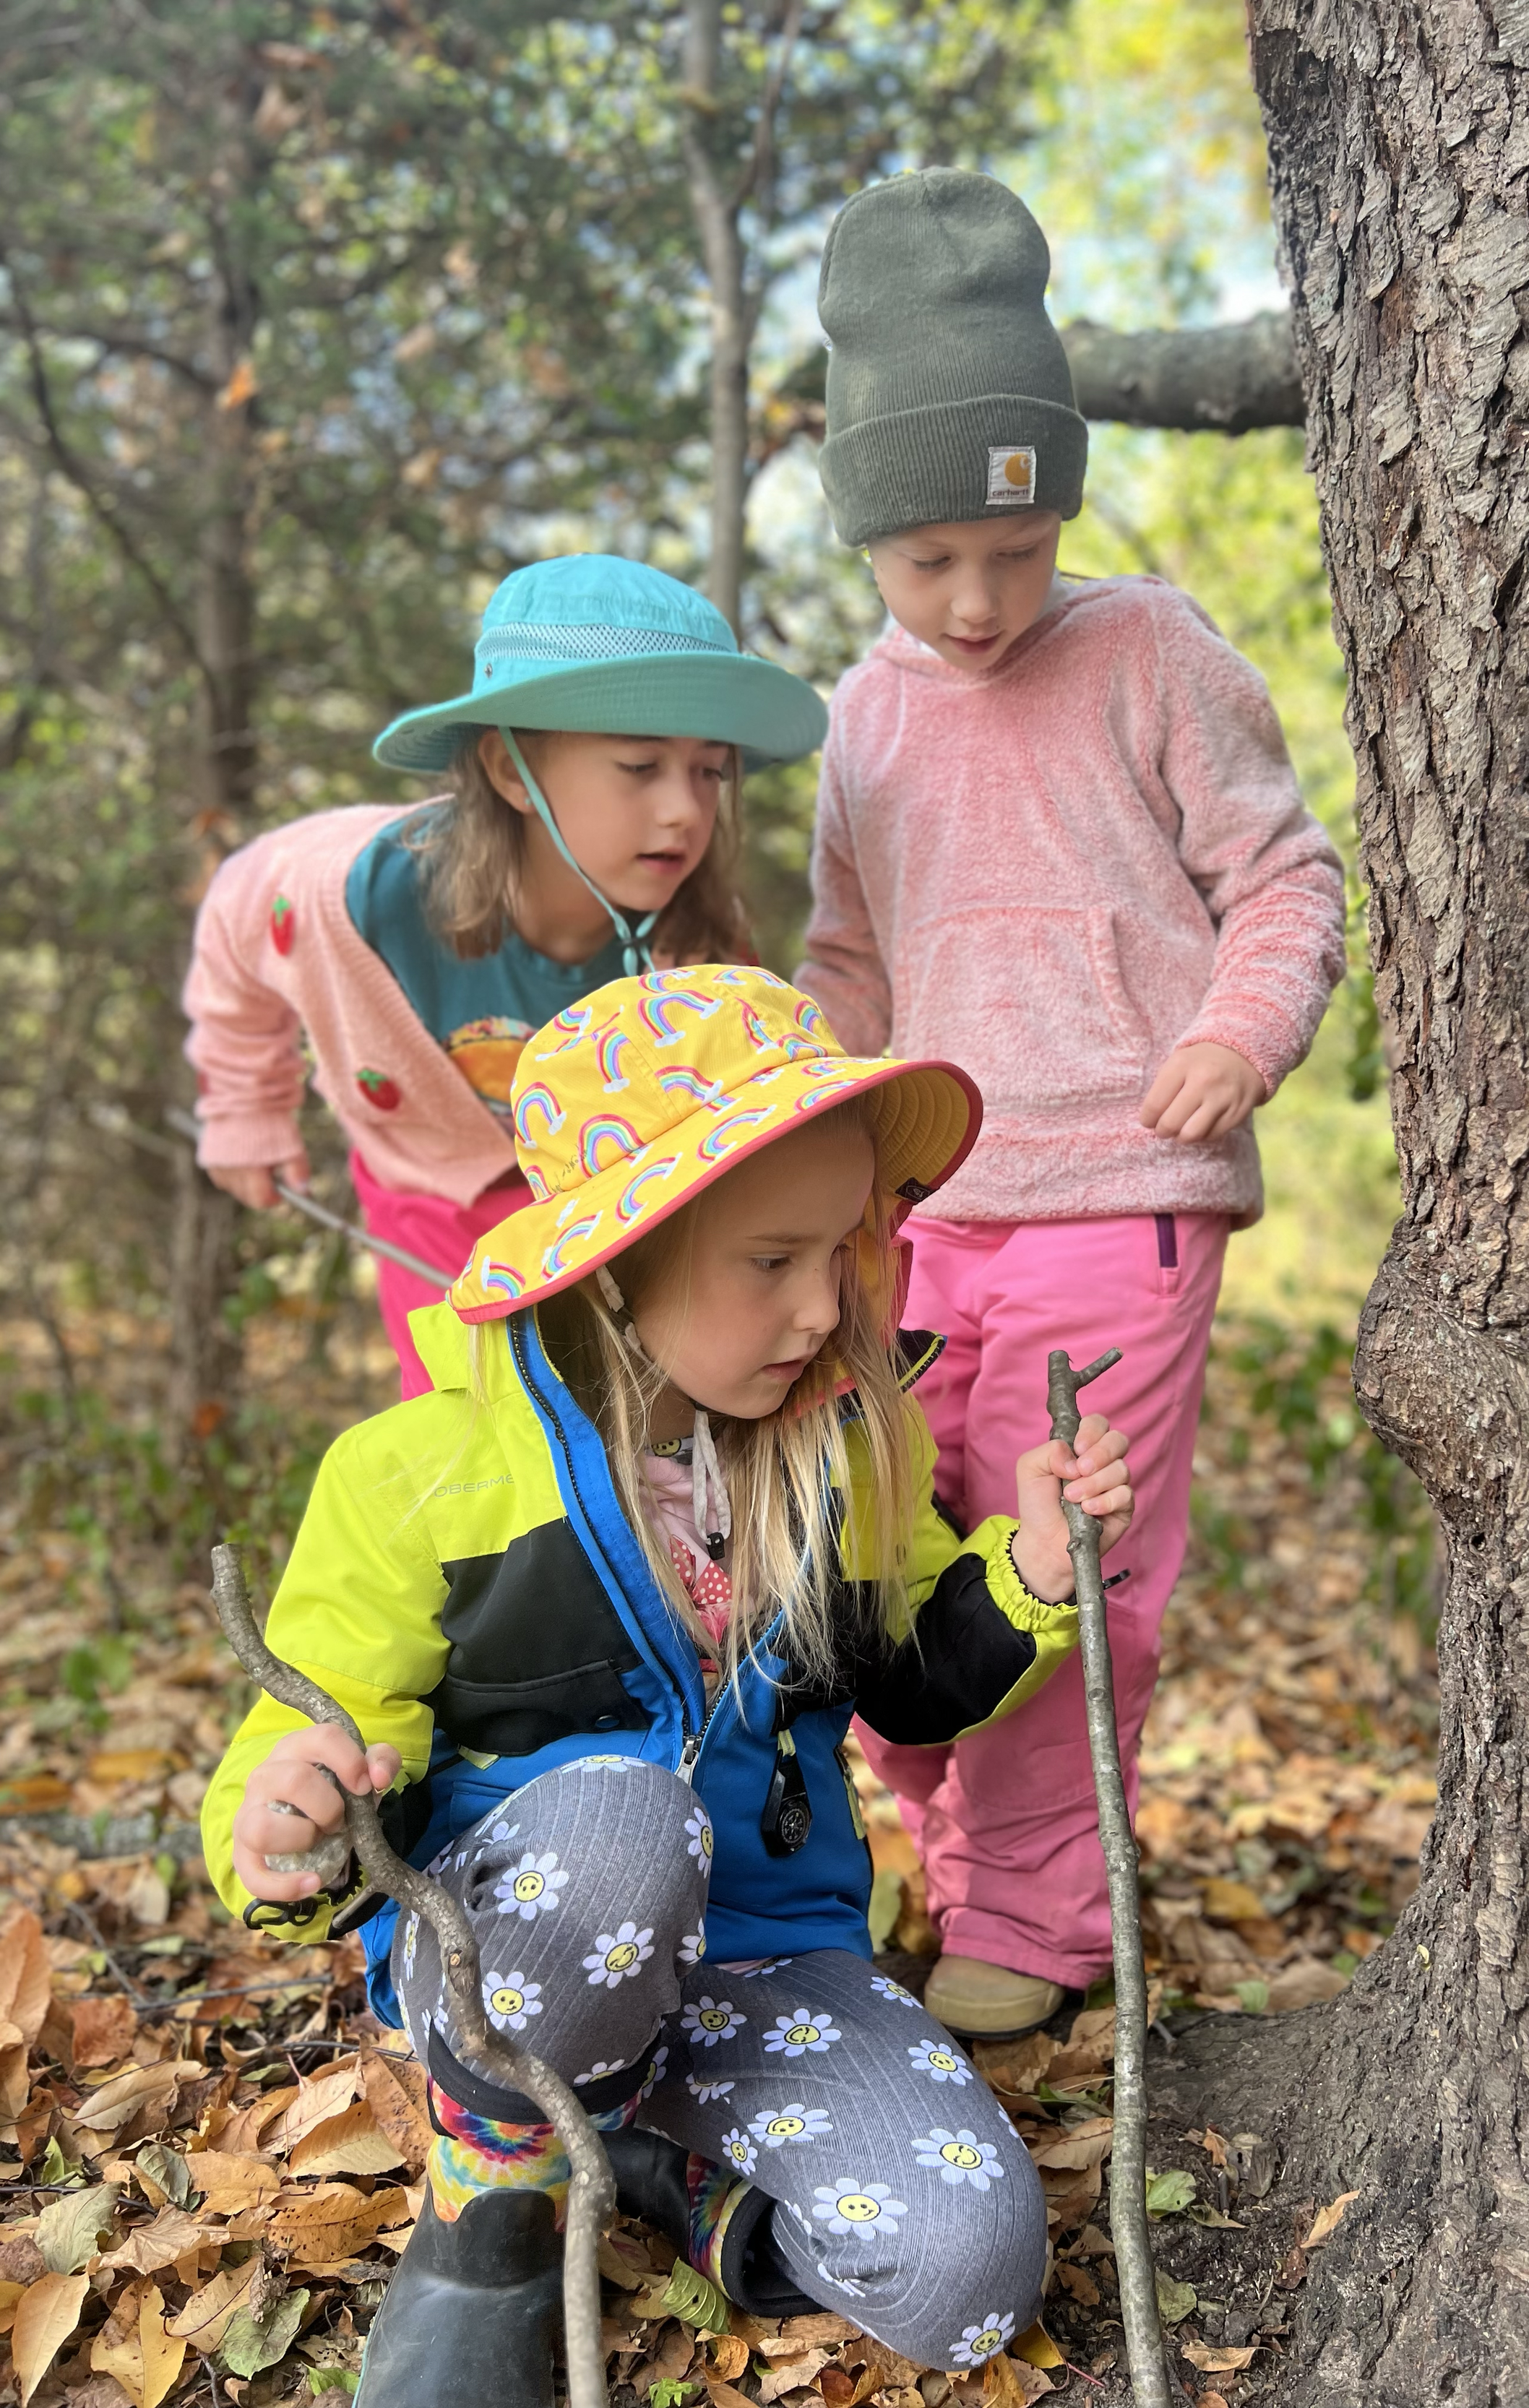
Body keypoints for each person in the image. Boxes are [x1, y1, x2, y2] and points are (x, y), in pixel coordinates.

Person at [199, 965, 1137, 2408]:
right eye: (770, 1258)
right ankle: (492, 2198)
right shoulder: (420, 1476)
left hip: (761, 1961)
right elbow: (320, 1716)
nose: (823, 1303)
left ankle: (668, 2170)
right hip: (522, 1947)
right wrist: (289, 1814)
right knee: (631, 1825)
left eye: (840, 1249)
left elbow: (907, 1688)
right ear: (618, 1256)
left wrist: (1030, 1581)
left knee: (965, 2271)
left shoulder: (842, 1454)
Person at [798, 168, 1348, 2040]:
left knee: (1067, 1551)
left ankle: (1036, 1920)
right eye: (926, 558)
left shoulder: (1149, 652)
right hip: (920, 1219)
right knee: (899, 1559)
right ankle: (957, 1865)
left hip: (1122, 1186)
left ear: (1061, 510)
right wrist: (802, 1146)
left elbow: (1282, 880)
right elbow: (843, 978)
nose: (972, 601)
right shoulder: (856, 724)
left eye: (1009, 553)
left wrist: (1233, 1035)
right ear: (863, 534)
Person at [181, 554, 826, 1395]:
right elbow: (236, 914)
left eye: (709, 771)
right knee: (472, 1412)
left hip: (603, 1208)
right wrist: (244, 1106)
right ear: (507, 771)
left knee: (620, 1411)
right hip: (429, 1185)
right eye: (640, 766)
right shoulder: (350, 889)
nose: (684, 808)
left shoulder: (697, 956)